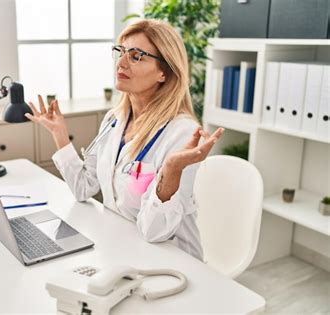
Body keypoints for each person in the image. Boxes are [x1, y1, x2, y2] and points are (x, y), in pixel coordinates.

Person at [25, 19, 224, 261]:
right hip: (120, 249)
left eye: (136, 56)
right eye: (120, 52)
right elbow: (83, 188)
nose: (121, 63)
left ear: (164, 72)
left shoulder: (182, 133)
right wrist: (60, 134)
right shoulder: (113, 119)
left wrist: (171, 170)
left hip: (172, 260)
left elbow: (155, 231)